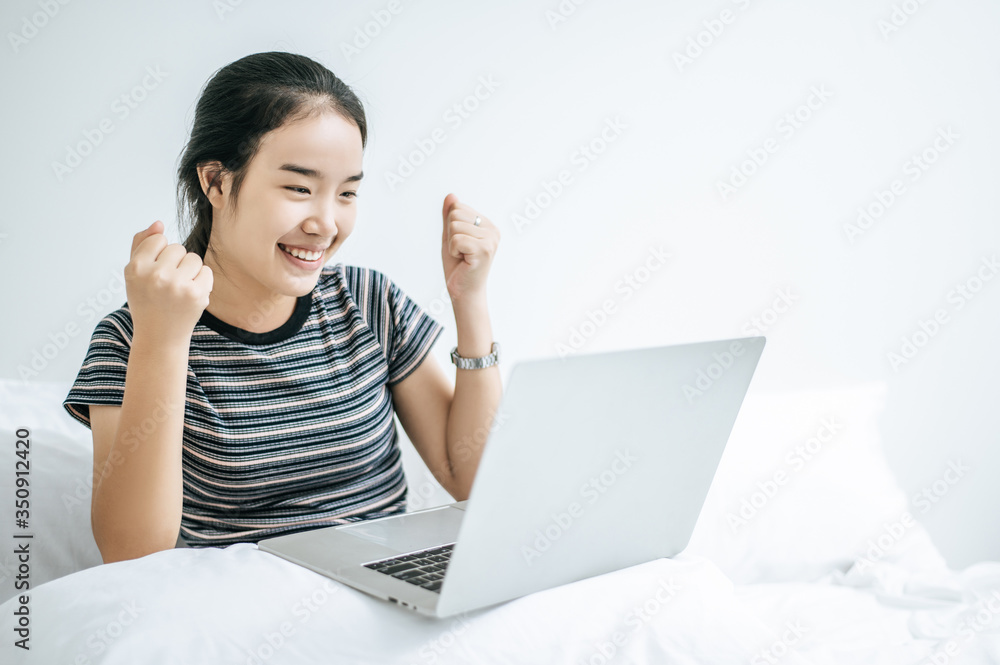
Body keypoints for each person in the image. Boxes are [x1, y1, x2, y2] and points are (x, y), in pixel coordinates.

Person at [62, 51, 503, 564]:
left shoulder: (367, 301)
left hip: (387, 587)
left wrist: (470, 300)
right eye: (299, 188)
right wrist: (162, 339)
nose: (326, 224)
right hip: (243, 600)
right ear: (216, 182)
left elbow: (473, 480)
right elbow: (130, 551)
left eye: (347, 193)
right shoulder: (132, 335)